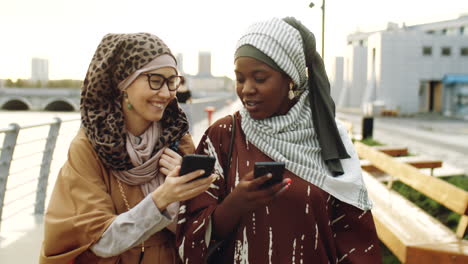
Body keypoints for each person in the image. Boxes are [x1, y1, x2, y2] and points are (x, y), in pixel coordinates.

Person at [177, 17, 382, 263]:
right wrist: (234, 205)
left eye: (260, 78)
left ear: (291, 80)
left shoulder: (329, 139)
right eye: (240, 79)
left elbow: (353, 236)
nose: (246, 89)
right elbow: (189, 231)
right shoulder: (223, 135)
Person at [39, 32, 216, 264]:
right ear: (124, 83)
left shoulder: (177, 139)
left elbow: (201, 233)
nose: (166, 93)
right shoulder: (89, 147)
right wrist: (163, 197)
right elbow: (102, 242)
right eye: (155, 80)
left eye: (172, 81)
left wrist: (185, 196)